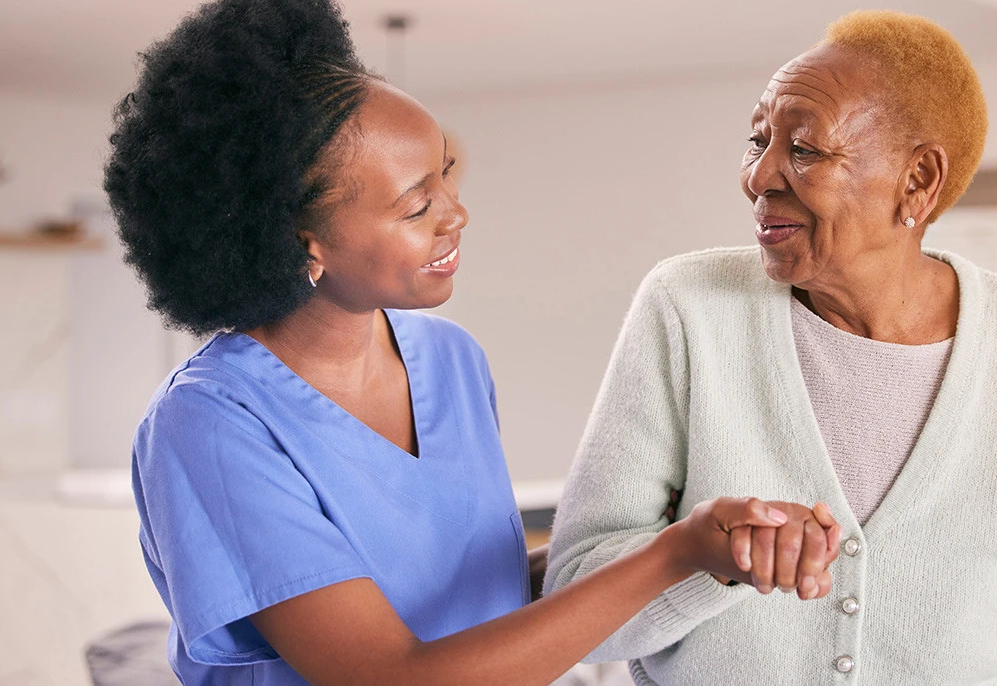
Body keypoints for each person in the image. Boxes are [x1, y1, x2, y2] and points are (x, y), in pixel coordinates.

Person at [105, 1, 841, 684]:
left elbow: (473, 595)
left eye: (447, 178)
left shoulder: (451, 361)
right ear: (304, 244)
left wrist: (684, 545)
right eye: (417, 204)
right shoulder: (209, 423)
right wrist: (671, 556)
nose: (456, 216)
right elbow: (391, 673)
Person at [544, 10, 997, 684]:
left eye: (804, 150)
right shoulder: (689, 307)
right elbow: (572, 600)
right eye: (758, 141)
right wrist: (705, 565)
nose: (759, 177)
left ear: (917, 181)